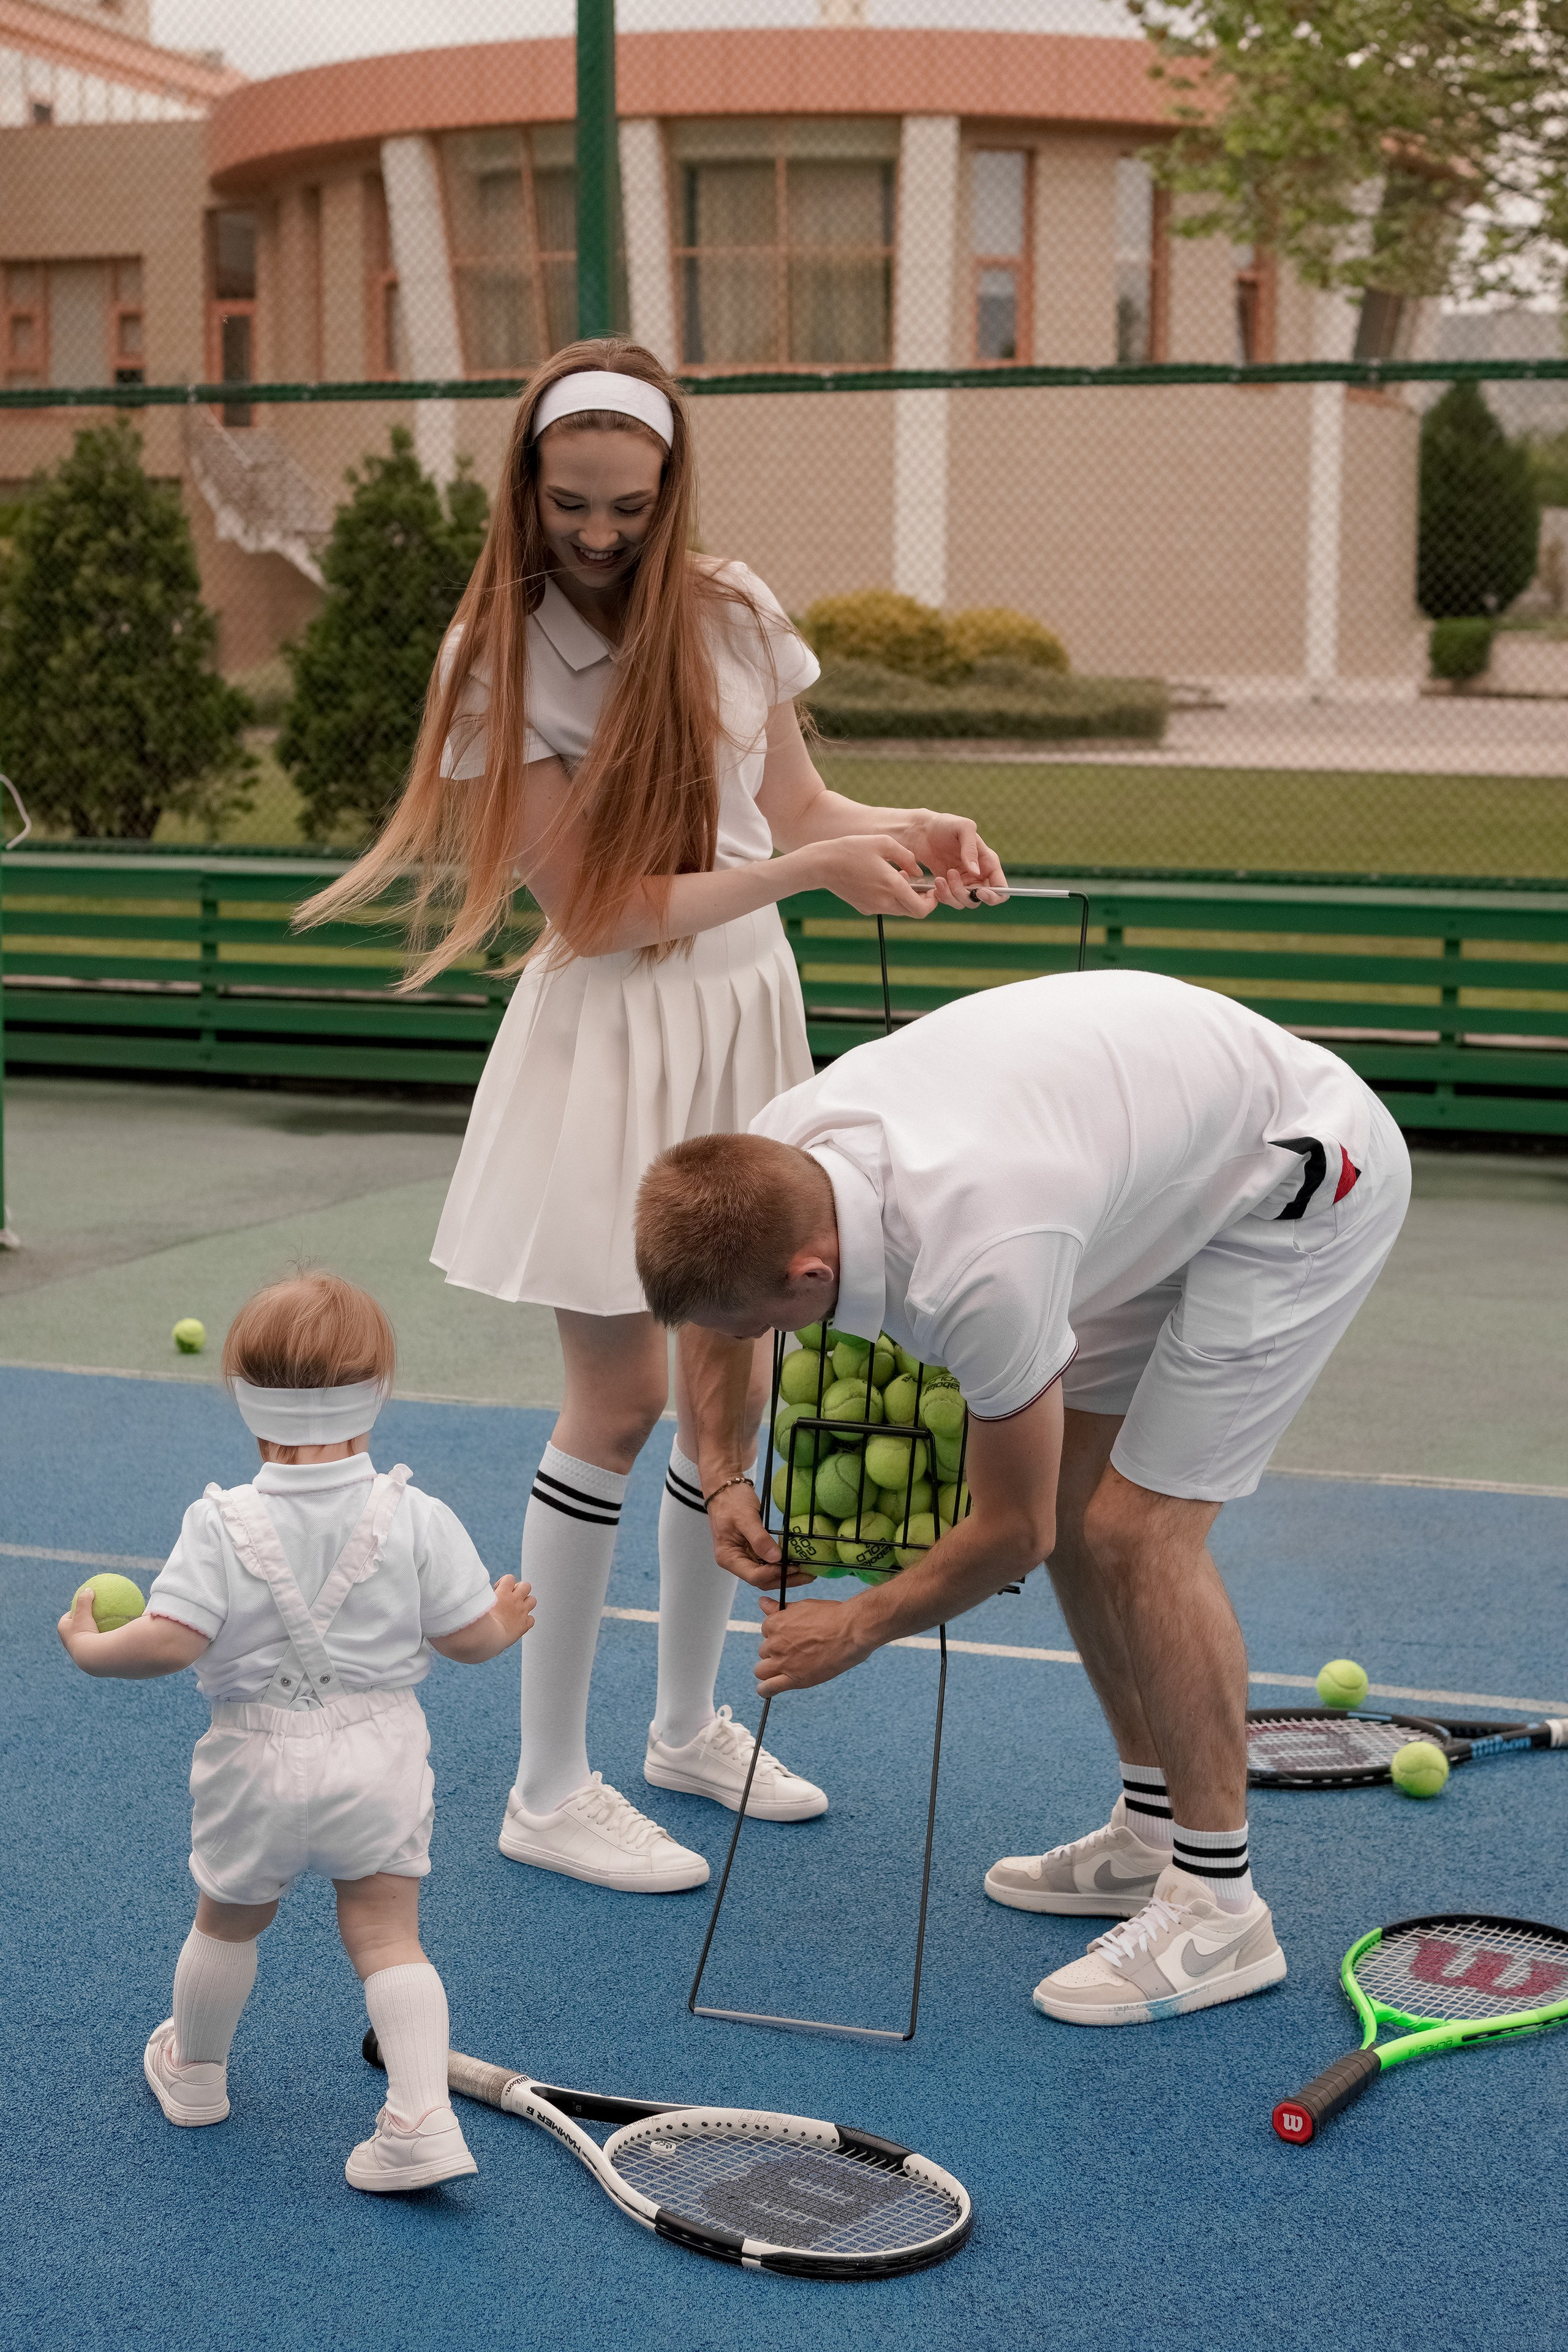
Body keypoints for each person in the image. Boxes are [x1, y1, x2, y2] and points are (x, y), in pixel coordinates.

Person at [299, 337, 1002, 1896]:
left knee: (727, 1392)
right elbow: (602, 911)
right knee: (617, 1406)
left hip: (746, 1014)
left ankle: (687, 1727)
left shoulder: (733, 609)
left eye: (629, 504)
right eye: (571, 503)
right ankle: (546, 1787)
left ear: (672, 487)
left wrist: (905, 826)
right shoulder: (495, 652)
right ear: (526, 486)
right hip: (610, 1036)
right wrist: (807, 872)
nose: (600, 533)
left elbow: (794, 809)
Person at [633, 967, 1412, 2024]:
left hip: (1302, 1183)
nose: (745, 1342)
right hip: (1152, 1162)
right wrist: (723, 1472)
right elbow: (712, 1315)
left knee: (1138, 1531)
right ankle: (1152, 1831)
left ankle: (1222, 1908)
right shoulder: (772, 1157)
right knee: (1088, 1506)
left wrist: (856, 1626)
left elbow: (1013, 1530)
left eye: (756, 1325)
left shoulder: (982, 1265)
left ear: (811, 1277)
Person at [56, 1270, 535, 2191]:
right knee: (388, 1934)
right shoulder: (417, 1515)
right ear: (377, 1392)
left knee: (226, 1923)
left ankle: (196, 2073)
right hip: (381, 1755)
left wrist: (90, 1649)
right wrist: (504, 1623)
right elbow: (468, 1639)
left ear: (246, 1399)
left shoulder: (218, 1522)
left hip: (253, 1758)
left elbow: (169, 1641)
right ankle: (421, 2118)